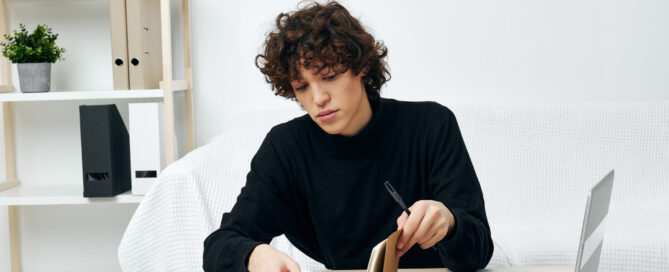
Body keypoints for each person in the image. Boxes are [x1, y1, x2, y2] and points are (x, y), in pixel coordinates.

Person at [203, 1, 493, 271]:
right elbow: (219, 245)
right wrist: (254, 255)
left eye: (329, 76)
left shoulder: (431, 126)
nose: (318, 98)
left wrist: (449, 223)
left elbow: (479, 250)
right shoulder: (286, 149)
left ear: (362, 66)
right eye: (302, 87)